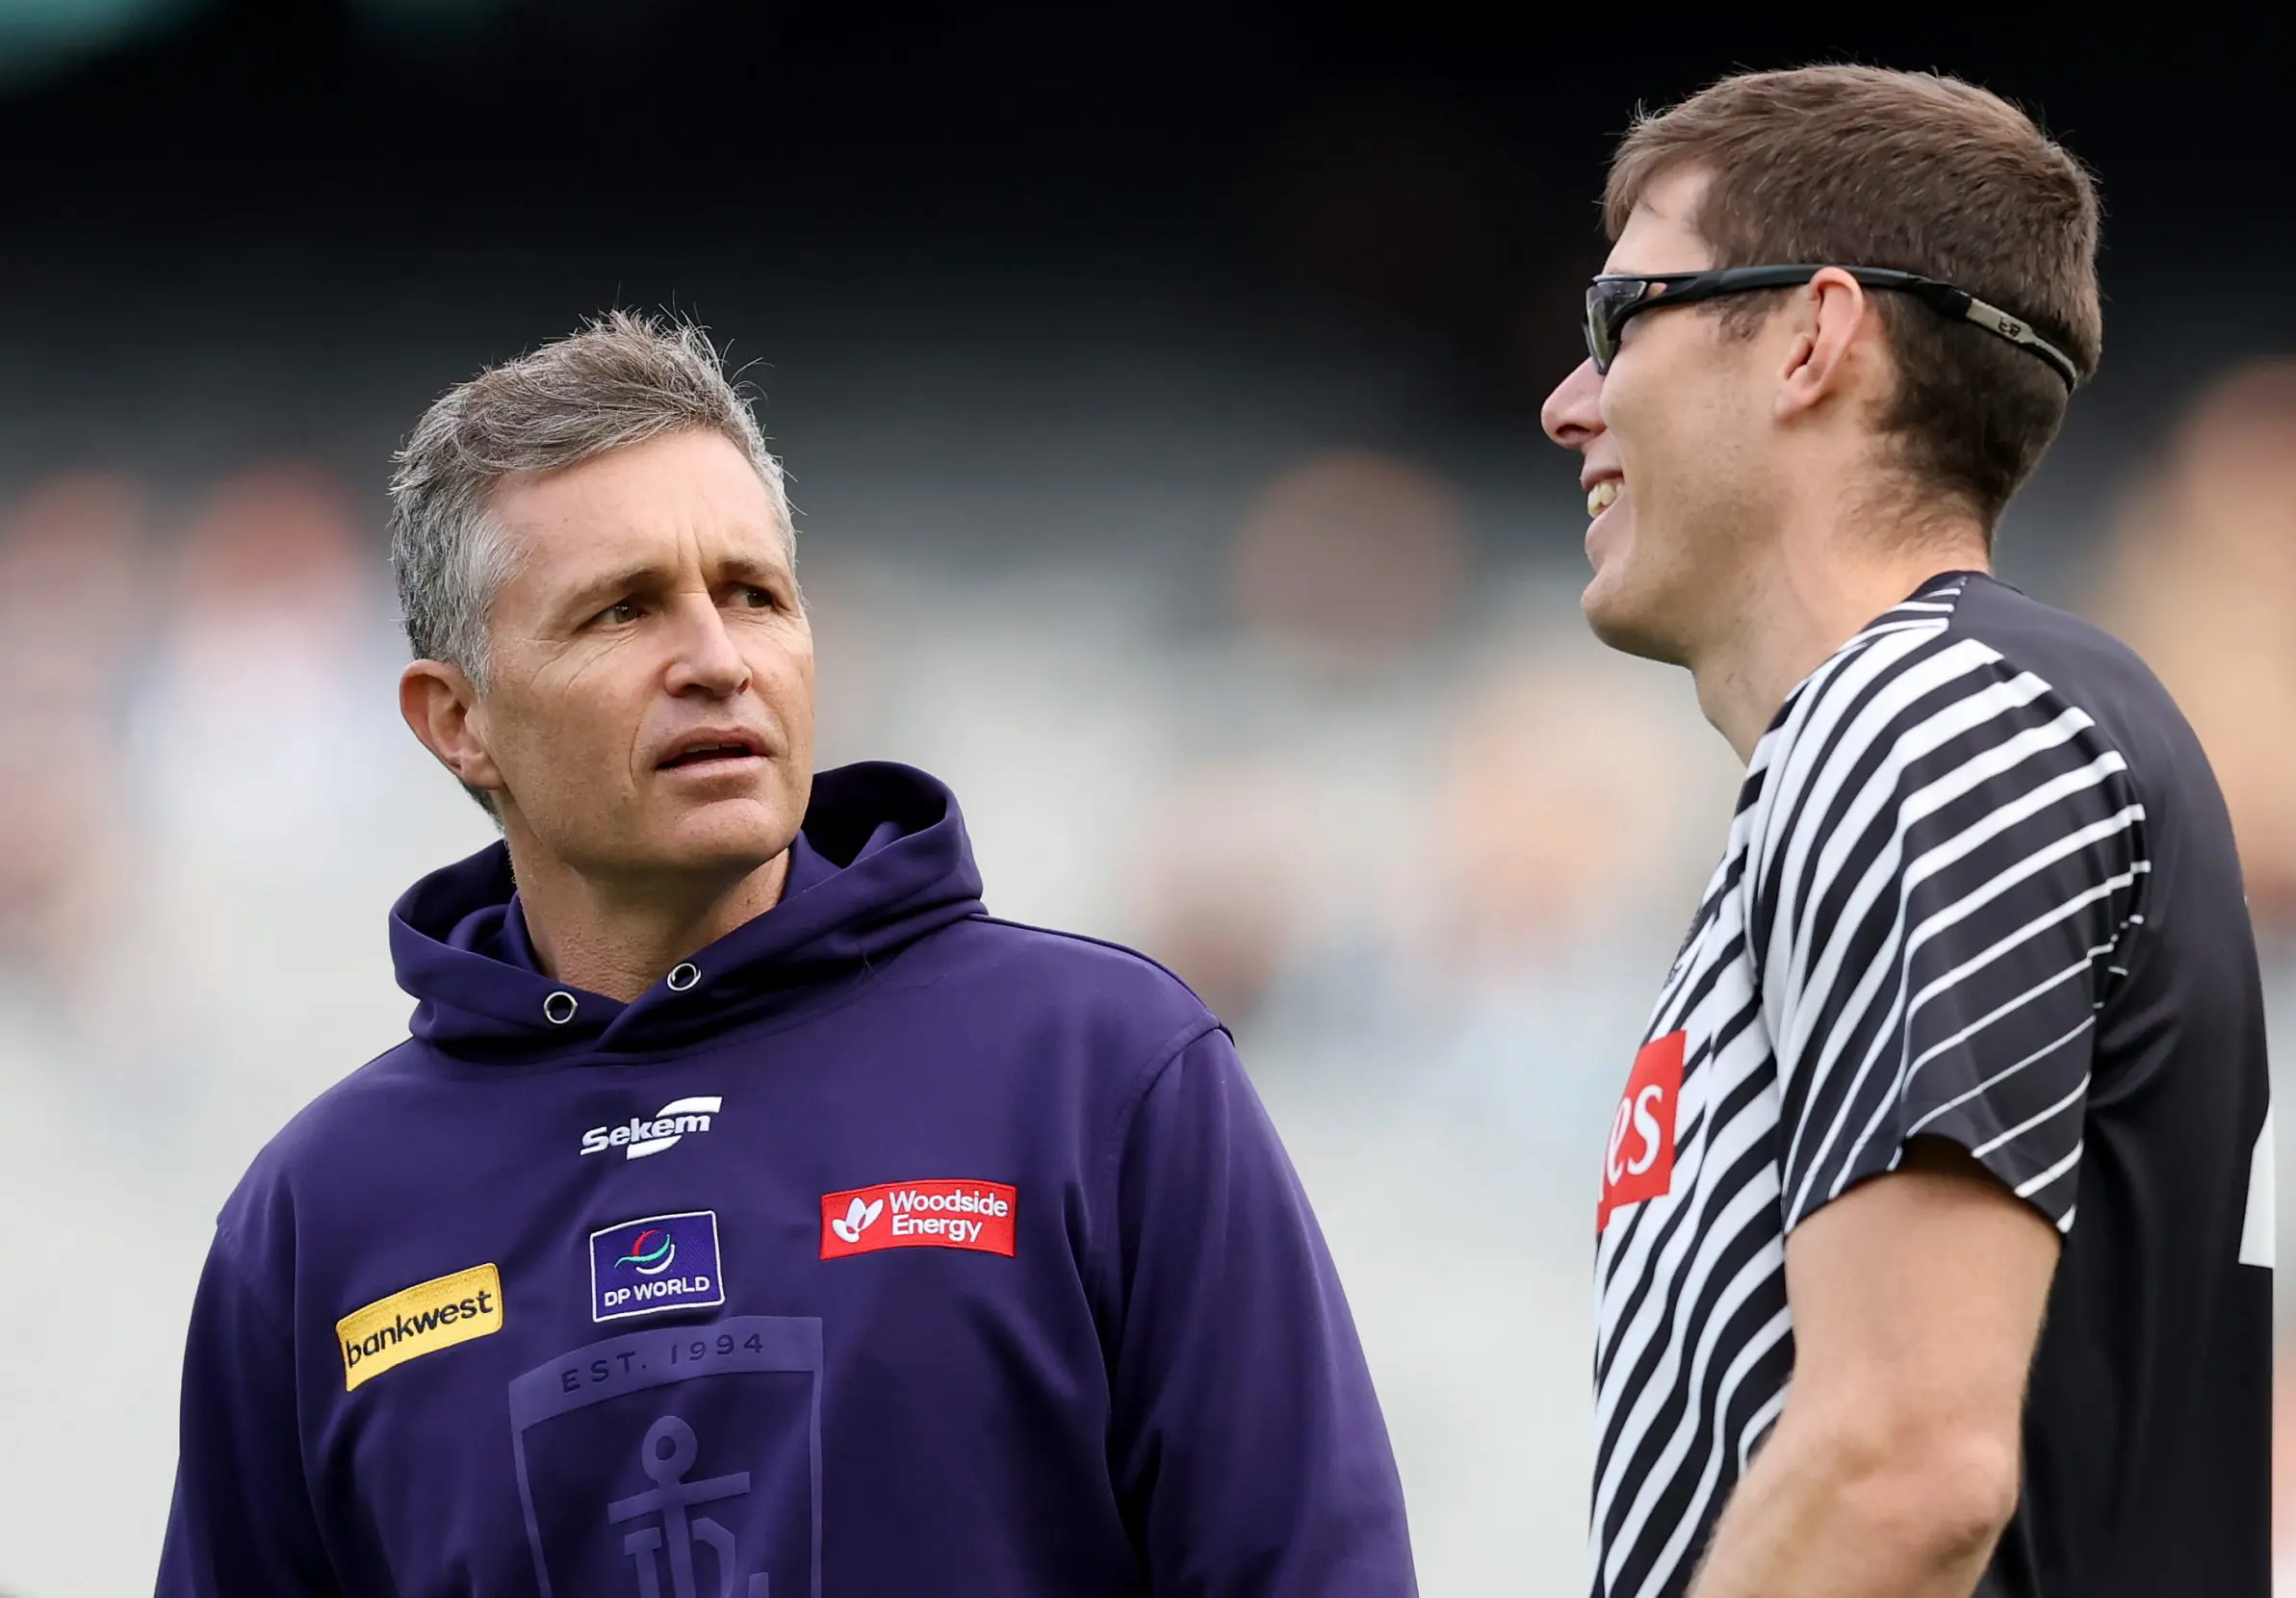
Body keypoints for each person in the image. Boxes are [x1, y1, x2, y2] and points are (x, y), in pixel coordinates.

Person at [155, 312, 1415, 1598]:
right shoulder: (317, 1219)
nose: (716, 659)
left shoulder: (1102, 1069)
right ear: (459, 719)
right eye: (622, 609)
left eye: (753, 593)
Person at [1539, 67, 2269, 1598]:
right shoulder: (1967, 719)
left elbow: (1905, 1466)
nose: (1569, 400)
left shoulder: (1933, 719)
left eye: (1622, 322)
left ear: (1814, 337)